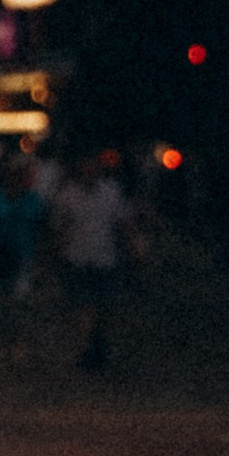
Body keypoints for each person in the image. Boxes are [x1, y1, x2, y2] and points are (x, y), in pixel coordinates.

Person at [53, 146, 137, 369]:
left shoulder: (111, 192)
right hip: (78, 257)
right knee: (84, 305)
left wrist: (131, 250)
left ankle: (99, 342)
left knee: (105, 306)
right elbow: (59, 228)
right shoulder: (67, 195)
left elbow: (122, 224)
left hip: (105, 257)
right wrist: (57, 255)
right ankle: (87, 347)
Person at [0, 147, 48, 357]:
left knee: (21, 299)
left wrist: (43, 258)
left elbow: (41, 229)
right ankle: (6, 340)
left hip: (24, 254)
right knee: (5, 301)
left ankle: (19, 340)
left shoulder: (32, 200)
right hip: (0, 254)